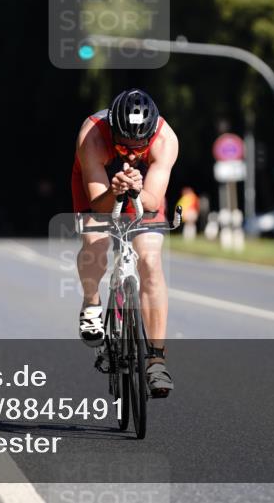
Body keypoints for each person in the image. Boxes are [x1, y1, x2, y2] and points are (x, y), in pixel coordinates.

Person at [70, 88, 179, 397]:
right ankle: (91, 303)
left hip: (144, 187)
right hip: (100, 184)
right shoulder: (92, 135)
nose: (130, 154)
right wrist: (115, 189)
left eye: (138, 147)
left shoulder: (166, 140)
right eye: (123, 146)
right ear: (112, 131)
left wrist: (136, 189)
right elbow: (99, 204)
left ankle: (156, 360)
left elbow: (153, 201)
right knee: (96, 241)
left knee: (150, 260)